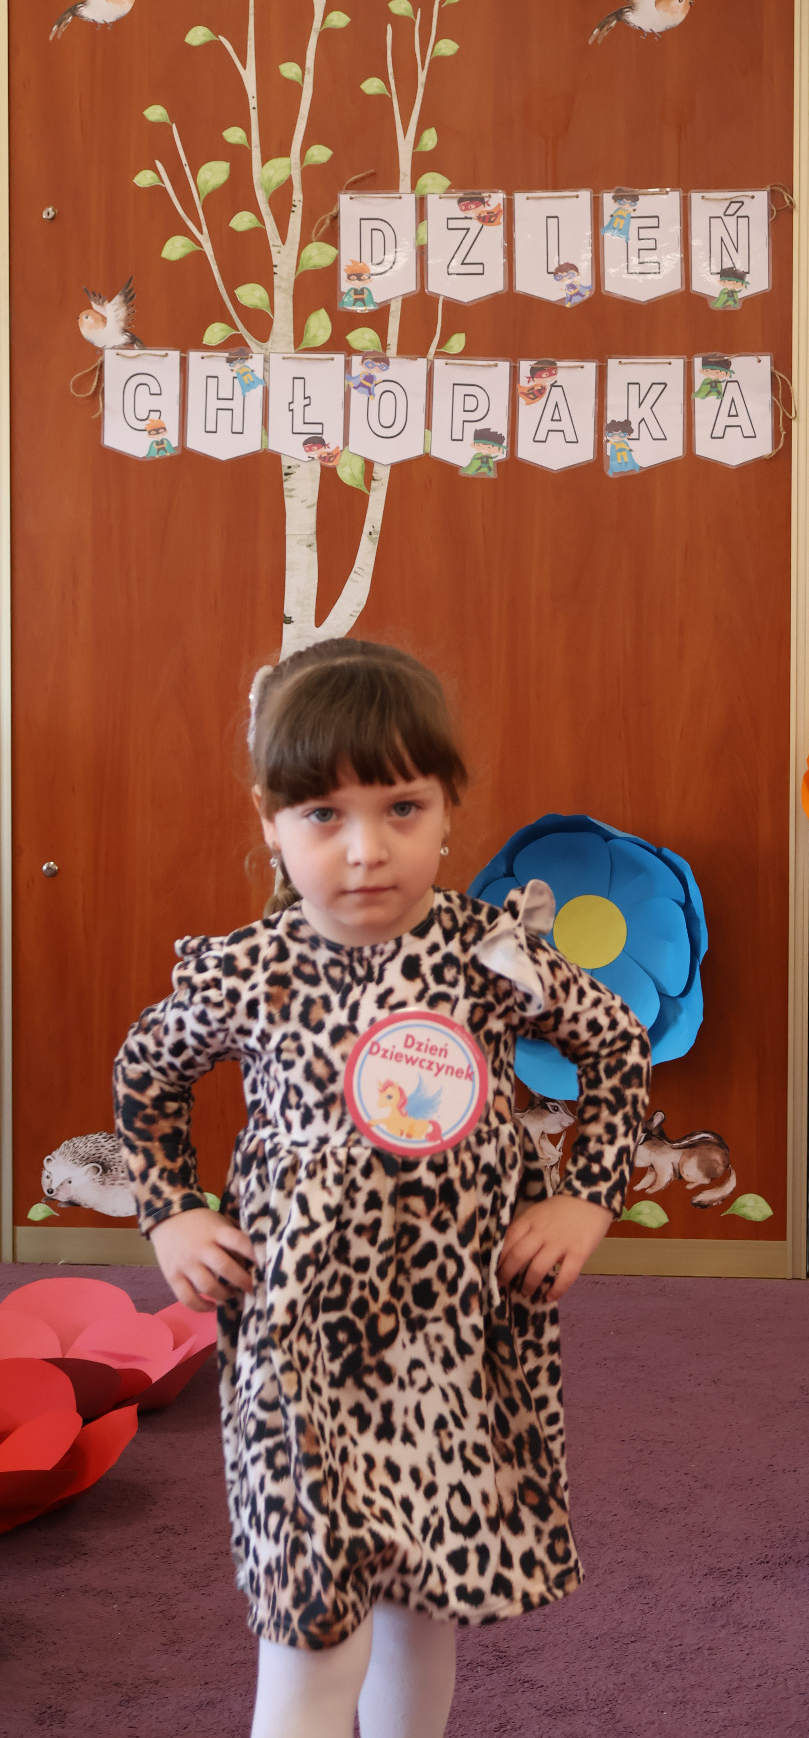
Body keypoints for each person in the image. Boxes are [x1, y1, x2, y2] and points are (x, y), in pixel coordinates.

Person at [113, 639, 651, 1738]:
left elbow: (617, 1047)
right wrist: (173, 1210)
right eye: (324, 814)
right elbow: (147, 1075)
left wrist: (586, 1197)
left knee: (422, 1601)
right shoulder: (248, 970)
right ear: (271, 821)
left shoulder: (490, 957)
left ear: (448, 808)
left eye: (402, 808)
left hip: (453, 1335)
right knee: (309, 1627)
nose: (367, 850)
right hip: (296, 1339)